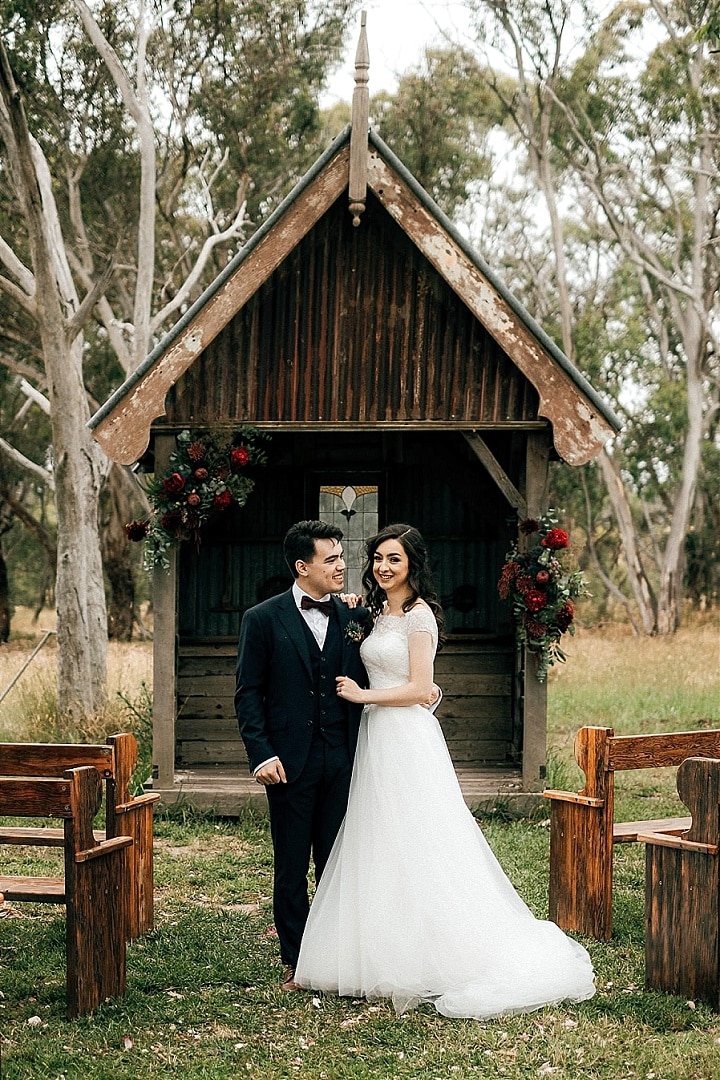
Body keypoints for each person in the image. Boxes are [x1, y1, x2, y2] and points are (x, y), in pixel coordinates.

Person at [294, 523, 596, 1019]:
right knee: (379, 836)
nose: (383, 567)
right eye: (377, 559)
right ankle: (379, 948)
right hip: (375, 738)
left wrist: (363, 695)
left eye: (394, 559)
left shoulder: (421, 618)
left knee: (422, 837)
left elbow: (419, 688)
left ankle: (443, 947)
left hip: (406, 737)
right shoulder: (374, 613)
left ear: (413, 563)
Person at [235, 520, 371, 991]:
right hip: (288, 763)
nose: (342, 565)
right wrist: (261, 755)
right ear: (302, 566)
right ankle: (297, 959)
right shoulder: (262, 619)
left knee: (337, 862)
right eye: (331, 558)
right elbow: (248, 694)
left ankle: (336, 953)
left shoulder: (356, 618)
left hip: (344, 759)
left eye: (341, 556)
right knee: (291, 864)